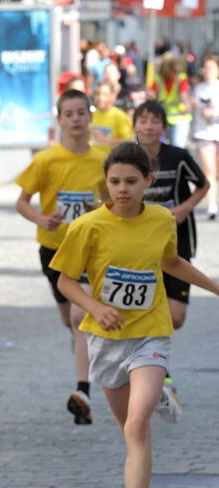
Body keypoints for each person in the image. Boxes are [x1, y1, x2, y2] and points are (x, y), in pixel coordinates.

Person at [51, 141, 219, 488]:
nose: (121, 189)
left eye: (130, 181)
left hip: (150, 334)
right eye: (113, 182)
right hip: (105, 342)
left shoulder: (162, 218)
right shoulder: (88, 227)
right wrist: (95, 307)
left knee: (137, 426)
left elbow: (172, 262)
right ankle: (160, 396)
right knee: (128, 426)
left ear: (148, 180)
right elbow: (66, 282)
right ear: (105, 183)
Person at [16, 89, 107, 425]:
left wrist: (98, 212)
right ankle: (80, 344)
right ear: (59, 119)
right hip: (54, 249)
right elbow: (22, 201)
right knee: (68, 318)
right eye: (68, 113)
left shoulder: (101, 161)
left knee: (79, 316)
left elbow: (111, 203)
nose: (75, 119)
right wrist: (43, 219)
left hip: (90, 251)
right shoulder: (46, 160)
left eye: (81, 112)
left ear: (90, 116)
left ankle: (83, 390)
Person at [133, 100, 209, 347]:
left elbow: (203, 184)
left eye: (155, 121)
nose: (148, 126)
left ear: (164, 127)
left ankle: (154, 358)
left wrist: (185, 208)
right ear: (134, 125)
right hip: (139, 243)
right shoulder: (126, 157)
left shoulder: (177, 156)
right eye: (143, 121)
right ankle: (157, 365)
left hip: (177, 239)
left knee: (175, 316)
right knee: (145, 306)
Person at [192, 55, 219, 220]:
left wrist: (214, 113)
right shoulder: (198, 89)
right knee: (208, 169)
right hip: (203, 133)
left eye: (211, 67)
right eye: (205, 68)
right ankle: (211, 206)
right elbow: (193, 108)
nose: (208, 71)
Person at [149, 52, 192, 148]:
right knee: (169, 149)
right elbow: (151, 94)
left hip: (178, 118)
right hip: (166, 118)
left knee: (173, 149)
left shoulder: (180, 78)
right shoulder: (159, 78)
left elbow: (183, 95)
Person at [90, 80, 133, 153]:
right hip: (93, 161)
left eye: (105, 95)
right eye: (98, 94)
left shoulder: (120, 116)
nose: (100, 98)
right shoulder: (90, 115)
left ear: (113, 96)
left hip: (112, 161)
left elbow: (130, 142)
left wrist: (106, 140)